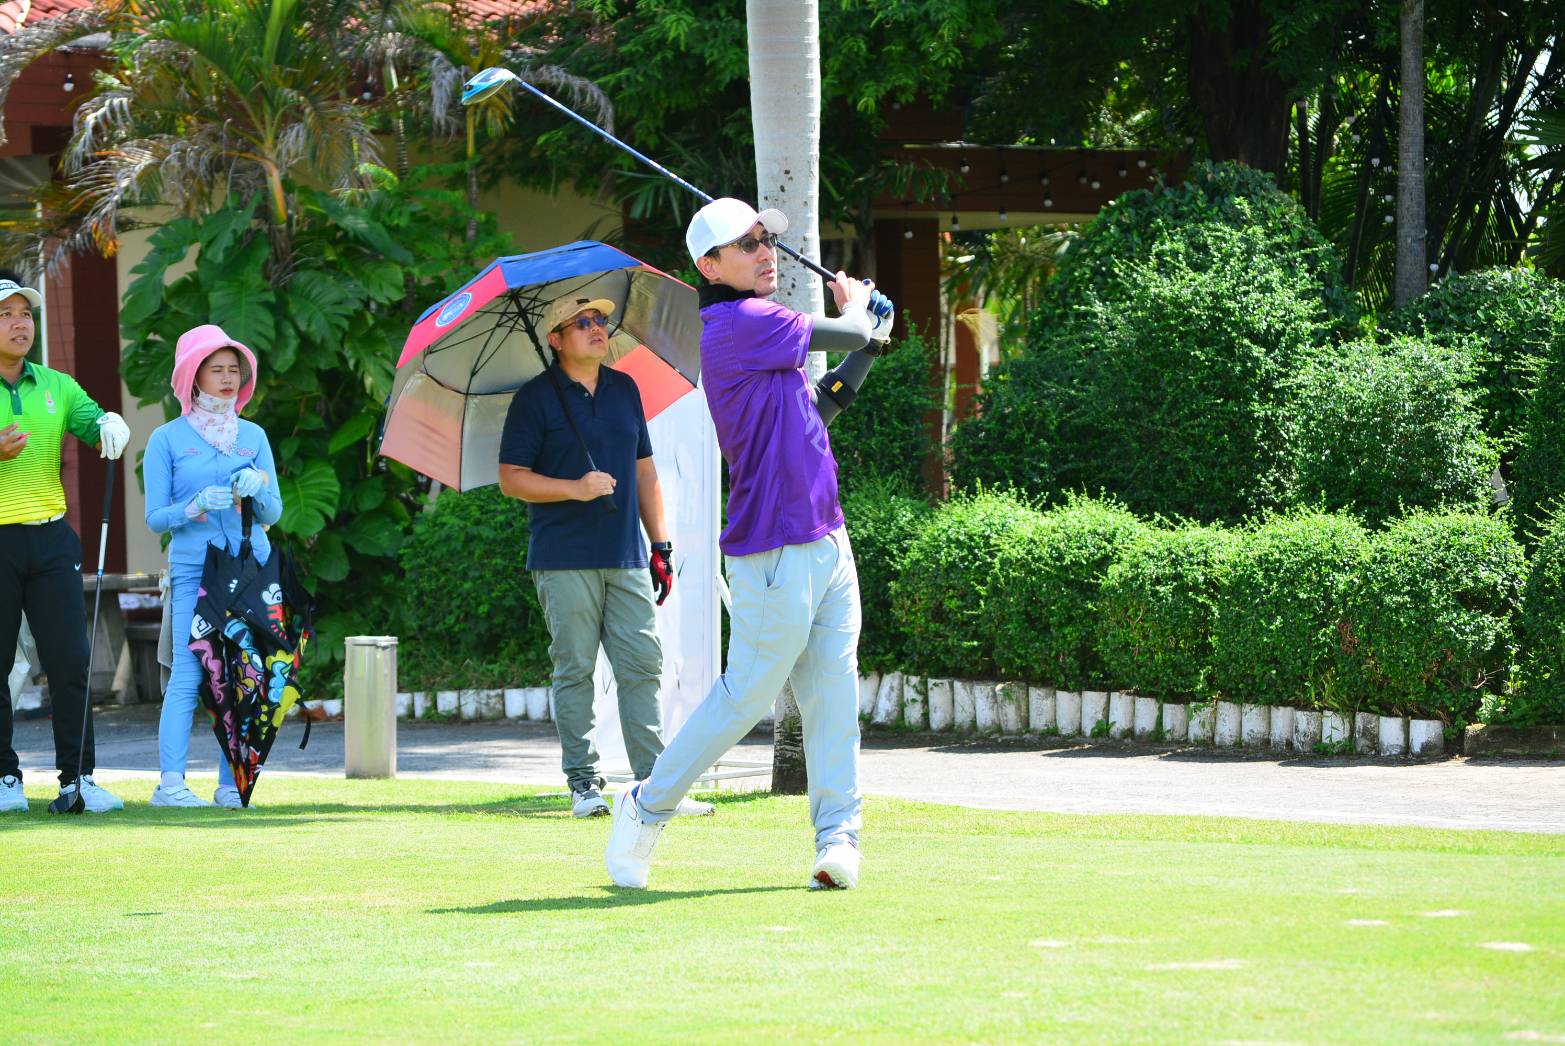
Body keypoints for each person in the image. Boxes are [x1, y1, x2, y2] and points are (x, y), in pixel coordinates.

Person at [605, 198, 892, 890]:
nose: (766, 253)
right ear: (708, 267)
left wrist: (868, 346)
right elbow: (848, 329)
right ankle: (645, 806)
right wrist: (861, 313)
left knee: (832, 695)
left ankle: (837, 837)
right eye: (748, 245)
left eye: (767, 240)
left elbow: (820, 407)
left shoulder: (763, 330)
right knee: (742, 699)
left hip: (827, 537)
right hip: (772, 547)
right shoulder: (737, 322)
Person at [498, 293, 710, 819]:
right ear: (555, 339)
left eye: (601, 320)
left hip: (627, 555)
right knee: (575, 670)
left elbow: (645, 472)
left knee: (642, 666)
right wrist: (576, 488)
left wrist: (661, 546)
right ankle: (584, 784)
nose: (598, 328)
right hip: (562, 559)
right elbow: (512, 479)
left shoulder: (624, 388)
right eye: (583, 322)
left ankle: (655, 786)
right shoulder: (534, 399)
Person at [0, 270, 131, 814]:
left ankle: (78, 779)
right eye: (5, 314)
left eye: (25, 314)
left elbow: (95, 424)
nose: (19, 324)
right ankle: (4, 778)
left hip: (52, 537)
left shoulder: (57, 385)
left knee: (71, 660)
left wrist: (110, 426)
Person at [142, 324, 283, 808]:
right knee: (189, 673)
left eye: (233, 370)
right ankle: (170, 786)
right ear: (192, 376)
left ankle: (232, 785)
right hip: (194, 571)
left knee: (243, 673)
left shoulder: (254, 436)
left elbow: (274, 512)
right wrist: (194, 506)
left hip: (251, 569)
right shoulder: (166, 439)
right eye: (216, 369)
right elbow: (155, 517)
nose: (227, 379)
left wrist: (259, 488)